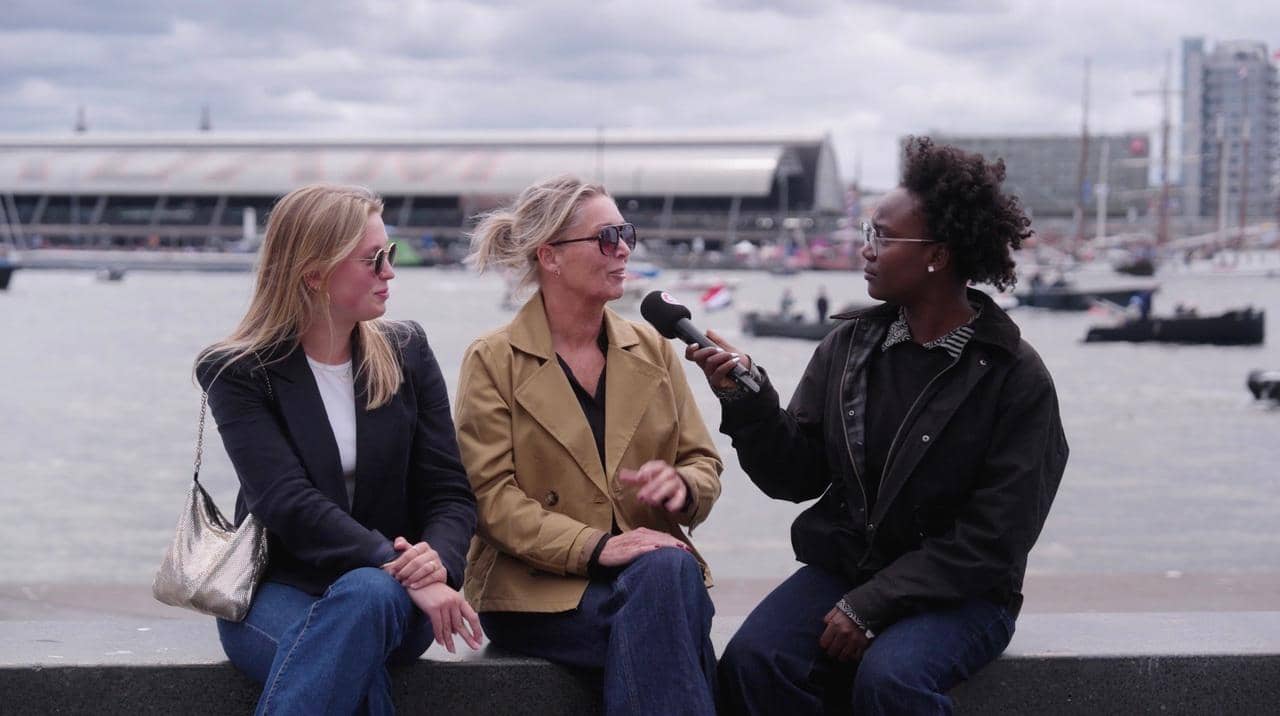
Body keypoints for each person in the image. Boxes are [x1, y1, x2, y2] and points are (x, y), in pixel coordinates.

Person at [686, 137, 1068, 715]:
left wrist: (873, 604)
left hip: (966, 595)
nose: (865, 250)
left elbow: (995, 538)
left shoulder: (1015, 377)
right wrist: (750, 402)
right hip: (851, 569)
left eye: (882, 237)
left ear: (937, 254)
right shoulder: (850, 346)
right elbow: (797, 476)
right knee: (753, 662)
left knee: (890, 680)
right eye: (869, 233)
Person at [195, 184, 481, 715]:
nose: (390, 272)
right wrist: (397, 563)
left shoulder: (407, 352)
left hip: (401, 599)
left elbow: (449, 494)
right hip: (279, 591)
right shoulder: (238, 373)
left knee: (369, 597)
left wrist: (433, 566)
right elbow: (286, 502)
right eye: (375, 259)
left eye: (390, 256)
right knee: (357, 661)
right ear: (313, 273)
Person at [455, 175, 723, 715]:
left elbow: (702, 461)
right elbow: (492, 501)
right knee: (675, 605)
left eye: (625, 232)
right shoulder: (493, 359)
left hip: (647, 575)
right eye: (606, 237)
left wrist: (682, 487)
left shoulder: (650, 346)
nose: (624, 248)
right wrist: (597, 547)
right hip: (536, 592)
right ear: (550, 256)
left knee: (666, 580)